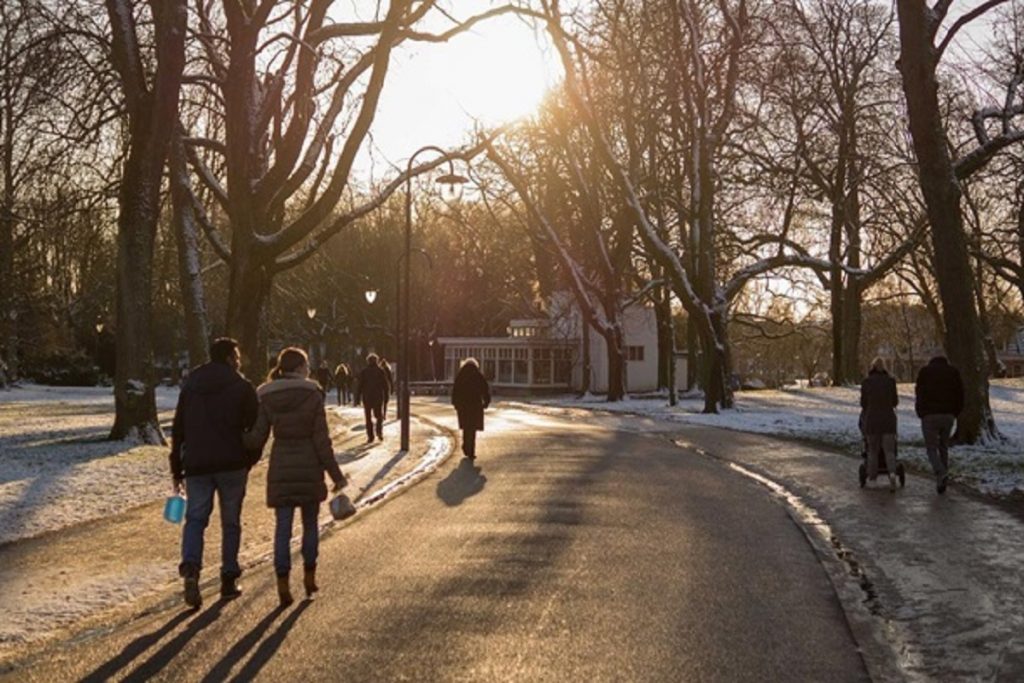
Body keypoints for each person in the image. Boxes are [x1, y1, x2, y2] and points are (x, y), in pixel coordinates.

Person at [244, 347, 346, 606]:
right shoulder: (313, 395)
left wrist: (235, 439)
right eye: (307, 365)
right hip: (309, 467)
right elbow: (322, 441)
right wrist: (336, 475)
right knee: (310, 525)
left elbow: (257, 437)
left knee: (283, 528)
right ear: (300, 368)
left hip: (281, 466)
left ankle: (282, 582)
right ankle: (309, 577)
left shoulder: (267, 397)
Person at [169, 337, 259, 609]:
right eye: (237, 355)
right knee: (230, 522)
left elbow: (179, 427)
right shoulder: (242, 387)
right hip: (232, 463)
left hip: (197, 463)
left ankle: (192, 568)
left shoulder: (191, 386)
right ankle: (228, 578)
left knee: (195, 519)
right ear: (231, 358)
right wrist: (249, 459)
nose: (240, 360)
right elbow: (254, 428)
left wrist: (177, 465)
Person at [915, 355, 965, 494]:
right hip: (948, 415)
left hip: (929, 415)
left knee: (931, 448)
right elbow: (960, 394)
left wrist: (921, 412)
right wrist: (955, 412)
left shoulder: (925, 372)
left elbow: (919, 393)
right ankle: (942, 479)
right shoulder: (953, 372)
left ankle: (940, 472)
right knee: (943, 446)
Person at [860, 357, 899, 492]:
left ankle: (872, 479)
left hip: (872, 420)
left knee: (873, 451)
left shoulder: (867, 382)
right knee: (889, 450)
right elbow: (895, 402)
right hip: (888, 419)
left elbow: (863, 403)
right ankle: (892, 474)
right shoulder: (891, 381)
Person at [451, 358, 491, 459]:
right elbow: (485, 388)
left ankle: (465, 445)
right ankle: (471, 450)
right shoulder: (478, 375)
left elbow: (455, 390)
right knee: (473, 428)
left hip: (463, 405)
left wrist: (455, 403)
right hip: (475, 405)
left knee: (466, 427)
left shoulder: (460, 376)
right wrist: (486, 402)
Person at [355, 353, 389, 443]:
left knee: (368, 417)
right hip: (378, 397)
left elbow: (359, 386)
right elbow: (385, 385)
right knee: (379, 416)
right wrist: (386, 397)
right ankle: (379, 431)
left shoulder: (364, 372)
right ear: (377, 361)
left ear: (368, 361)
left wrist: (357, 398)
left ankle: (370, 436)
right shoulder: (380, 371)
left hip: (367, 397)